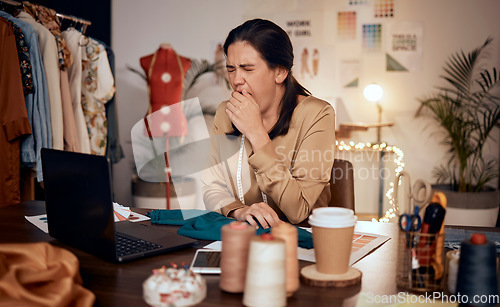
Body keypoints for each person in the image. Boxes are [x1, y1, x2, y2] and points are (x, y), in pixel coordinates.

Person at [201, 19, 335, 228]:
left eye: (247, 69)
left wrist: (257, 134)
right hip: (245, 236)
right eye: (231, 69)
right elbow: (212, 186)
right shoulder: (225, 112)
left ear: (280, 72)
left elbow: (298, 211)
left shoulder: (317, 114)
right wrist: (240, 211)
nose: (236, 79)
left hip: (302, 241)